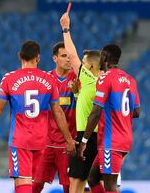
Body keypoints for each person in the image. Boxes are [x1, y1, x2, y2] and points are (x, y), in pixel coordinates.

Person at [0, 40, 76, 193]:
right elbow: (57, 112)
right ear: (38, 58)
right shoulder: (49, 80)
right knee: (35, 184)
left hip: (20, 141)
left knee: (24, 183)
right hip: (42, 142)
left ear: (20, 56)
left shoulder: (10, 78)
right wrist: (68, 140)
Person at [78, 44, 140, 193]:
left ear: (104, 57)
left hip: (111, 140)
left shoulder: (105, 78)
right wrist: (117, 111)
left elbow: (95, 112)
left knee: (110, 184)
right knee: (92, 179)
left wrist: (84, 141)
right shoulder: (130, 79)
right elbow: (136, 111)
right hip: (125, 138)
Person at [60, 12, 103, 193]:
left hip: (86, 136)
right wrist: (77, 95)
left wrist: (65, 28)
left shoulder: (89, 80)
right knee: (93, 182)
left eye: (84, 63)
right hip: (101, 137)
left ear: (91, 67)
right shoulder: (105, 83)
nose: (80, 65)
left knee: (75, 184)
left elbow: (71, 55)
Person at [33, 42, 77, 193]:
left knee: (69, 188)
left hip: (69, 144)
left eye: (70, 56)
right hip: (46, 143)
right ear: (55, 59)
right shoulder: (45, 80)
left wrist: (77, 92)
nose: (68, 60)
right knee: (35, 186)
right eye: (64, 56)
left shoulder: (78, 79)